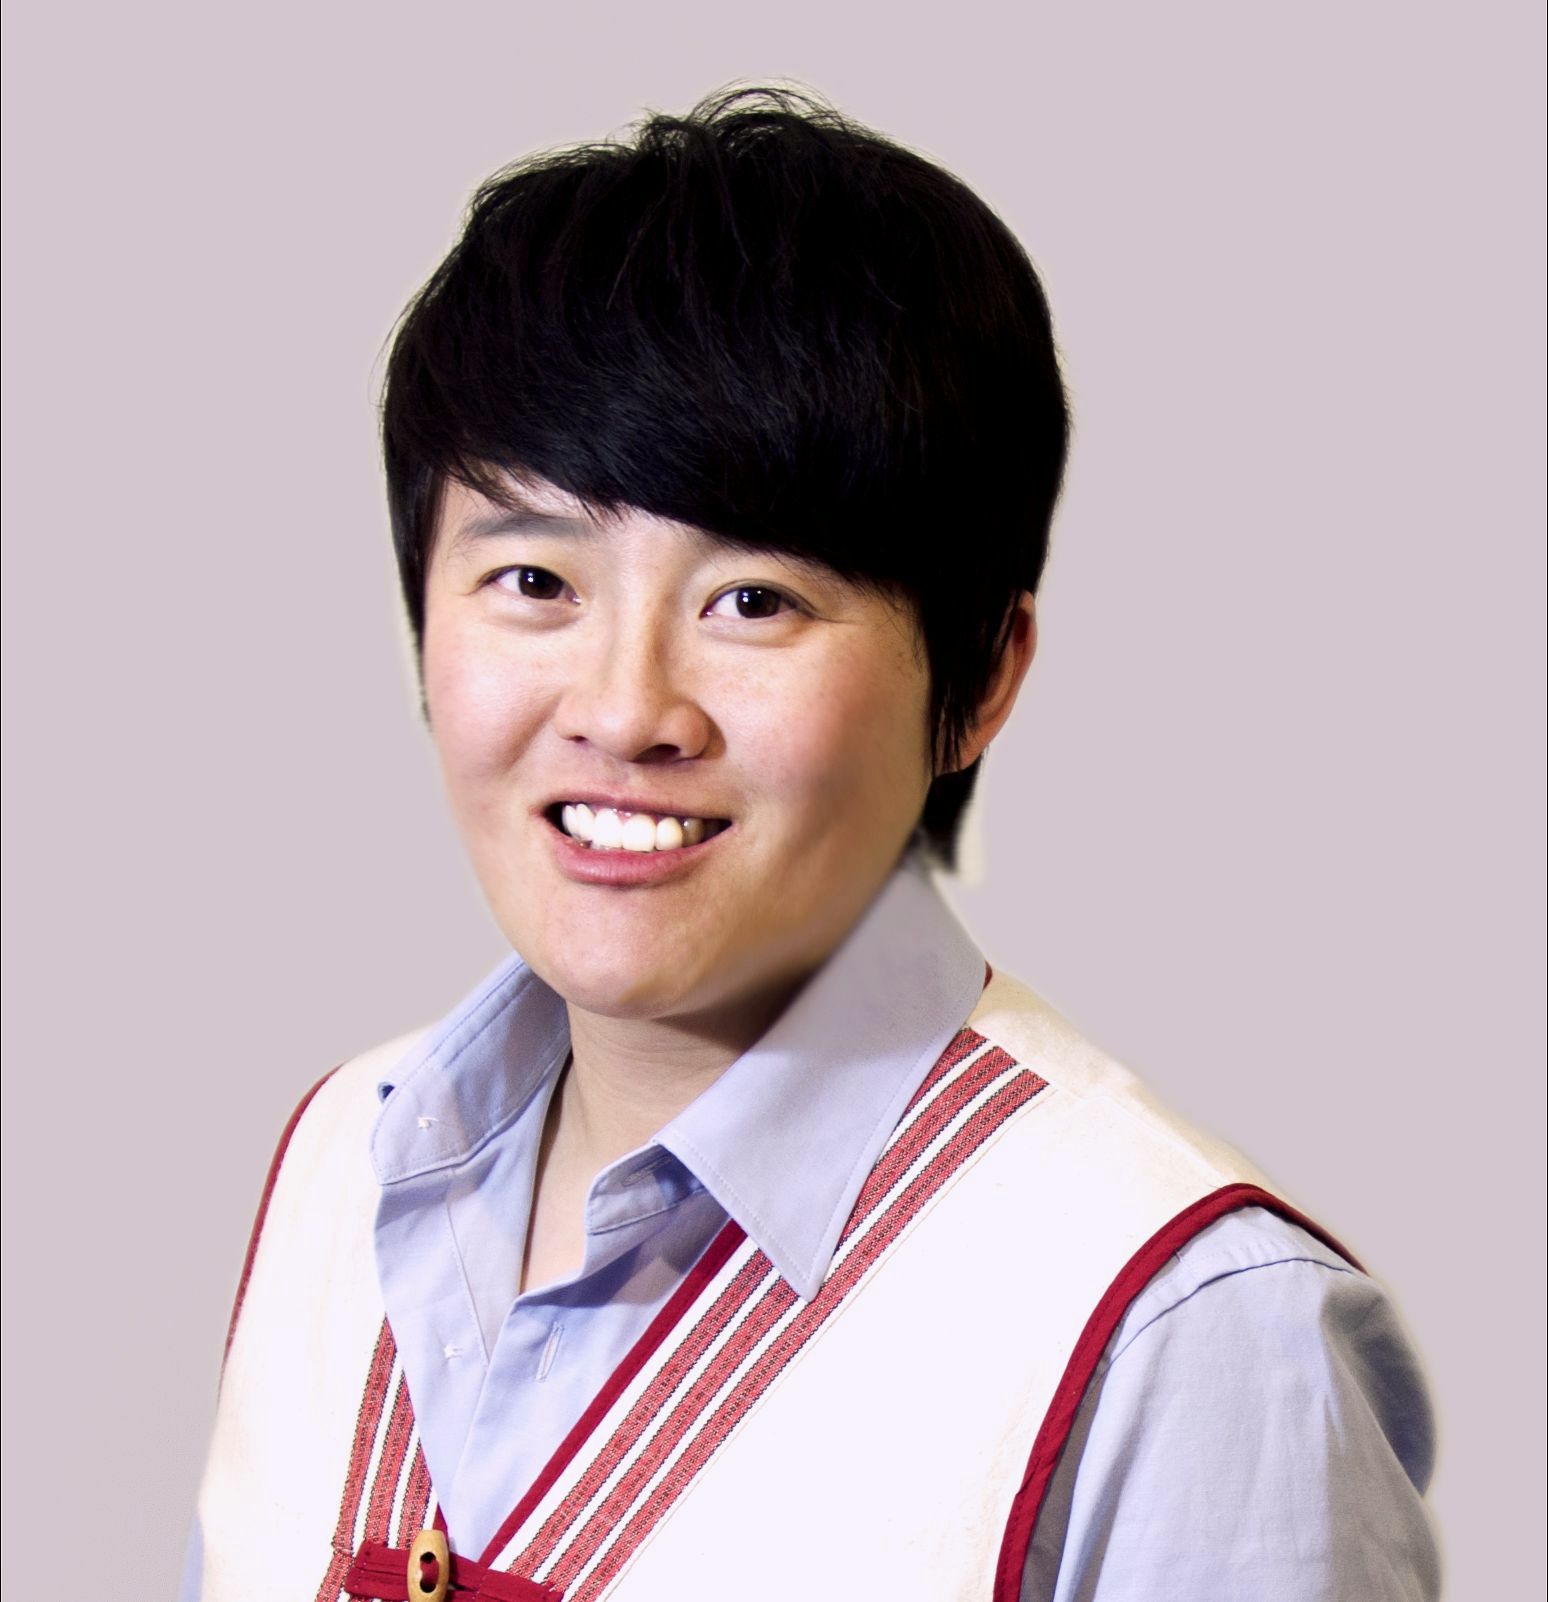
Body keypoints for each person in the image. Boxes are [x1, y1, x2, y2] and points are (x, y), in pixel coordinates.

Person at [184, 88, 1440, 1601]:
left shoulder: (1186, 1333)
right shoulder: (347, 1158)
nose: (625, 708)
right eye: (534, 580)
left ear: (981, 679)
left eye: (755, 601)